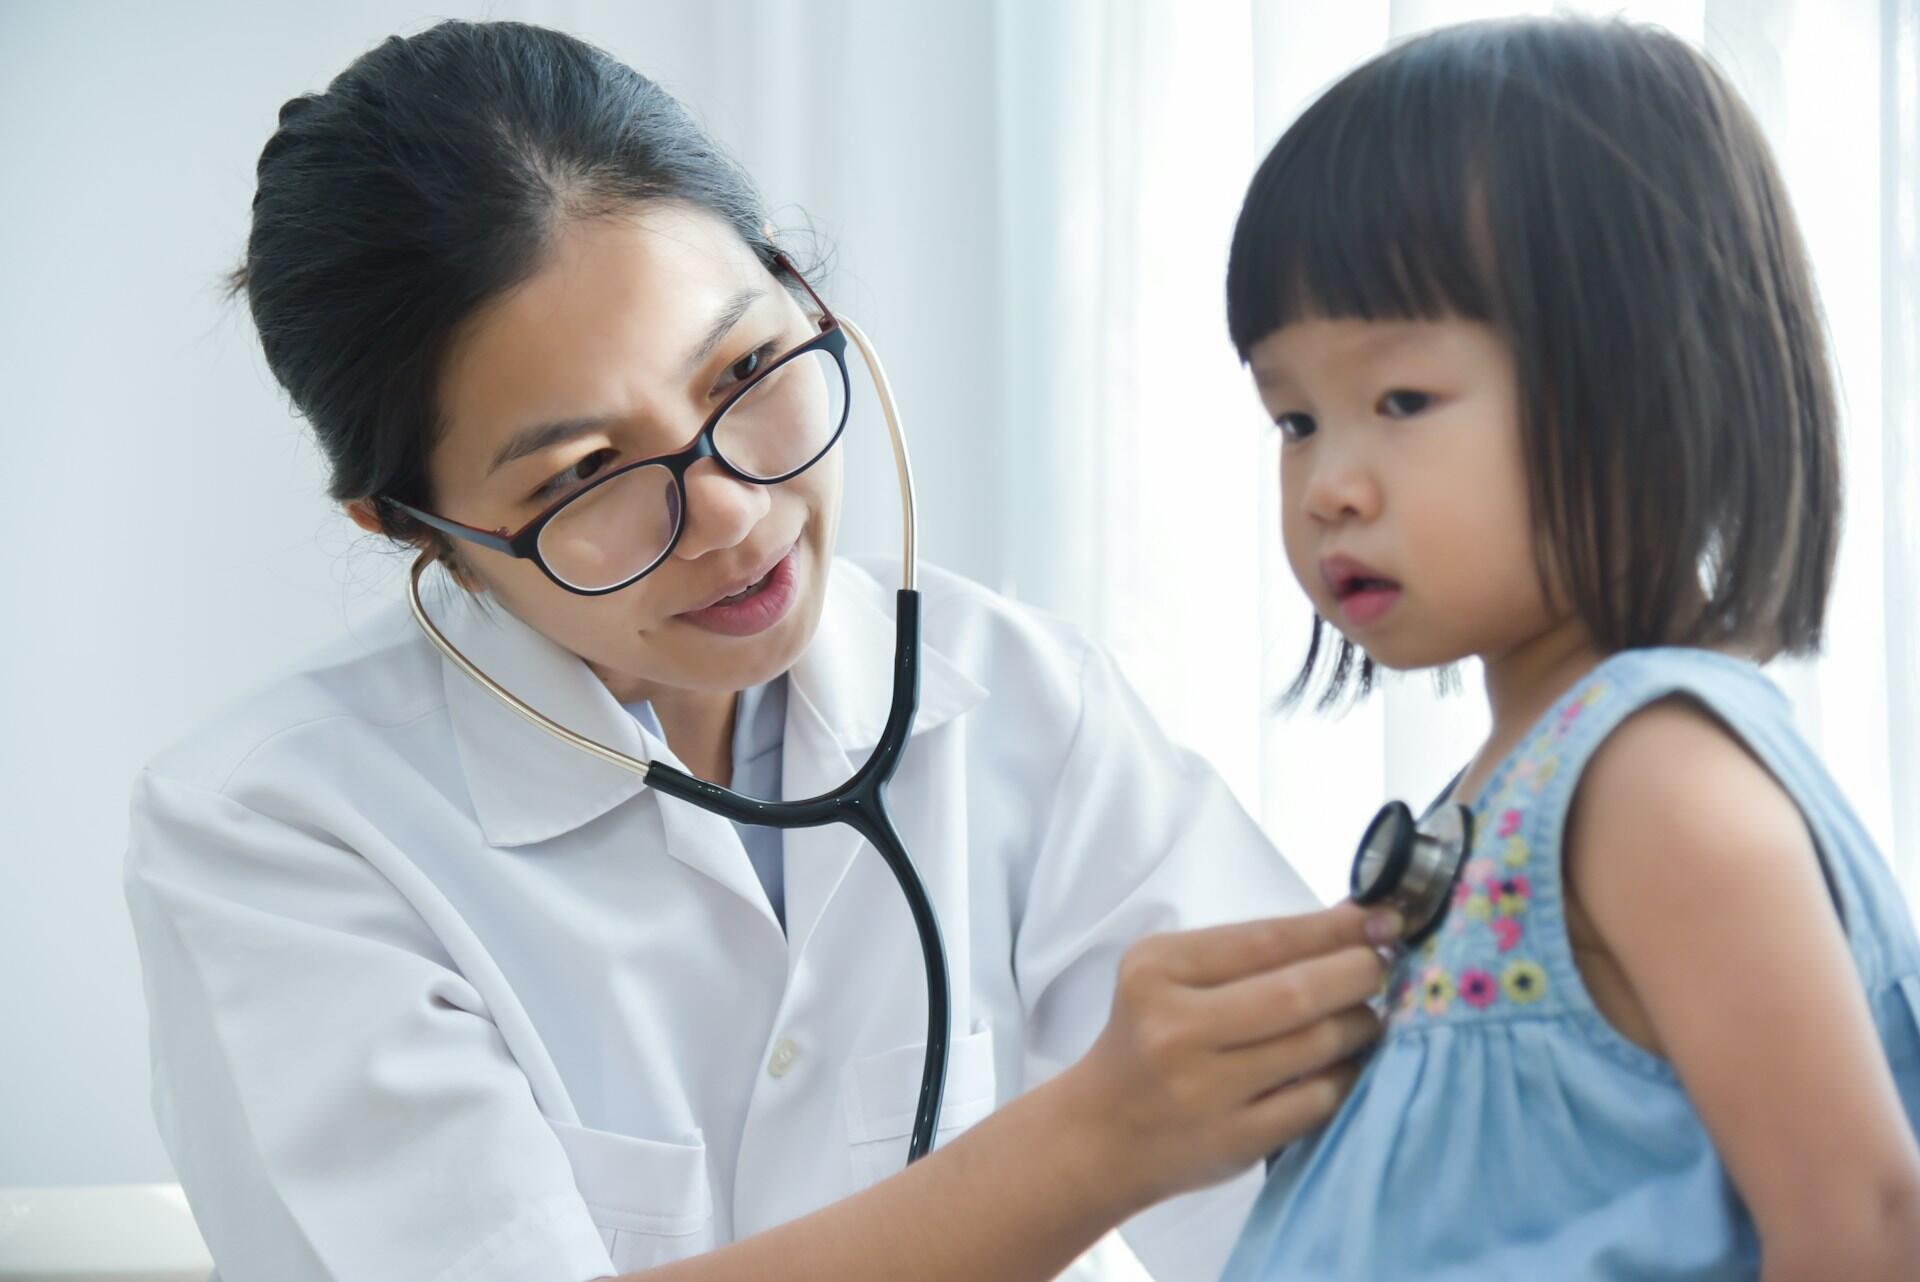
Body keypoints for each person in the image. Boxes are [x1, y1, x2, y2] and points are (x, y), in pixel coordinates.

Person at [121, 20, 1396, 1282]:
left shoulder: (1011, 696)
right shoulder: (276, 833)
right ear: (413, 526)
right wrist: (1092, 1145)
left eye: (744, 367)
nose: (730, 506)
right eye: (587, 472)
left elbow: (1349, 1203)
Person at [1216, 16, 1920, 1279]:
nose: (1329, 484)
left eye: (1402, 401)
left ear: (1650, 380)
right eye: (1294, 418)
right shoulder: (1516, 783)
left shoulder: (1651, 777)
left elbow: (1865, 1226)